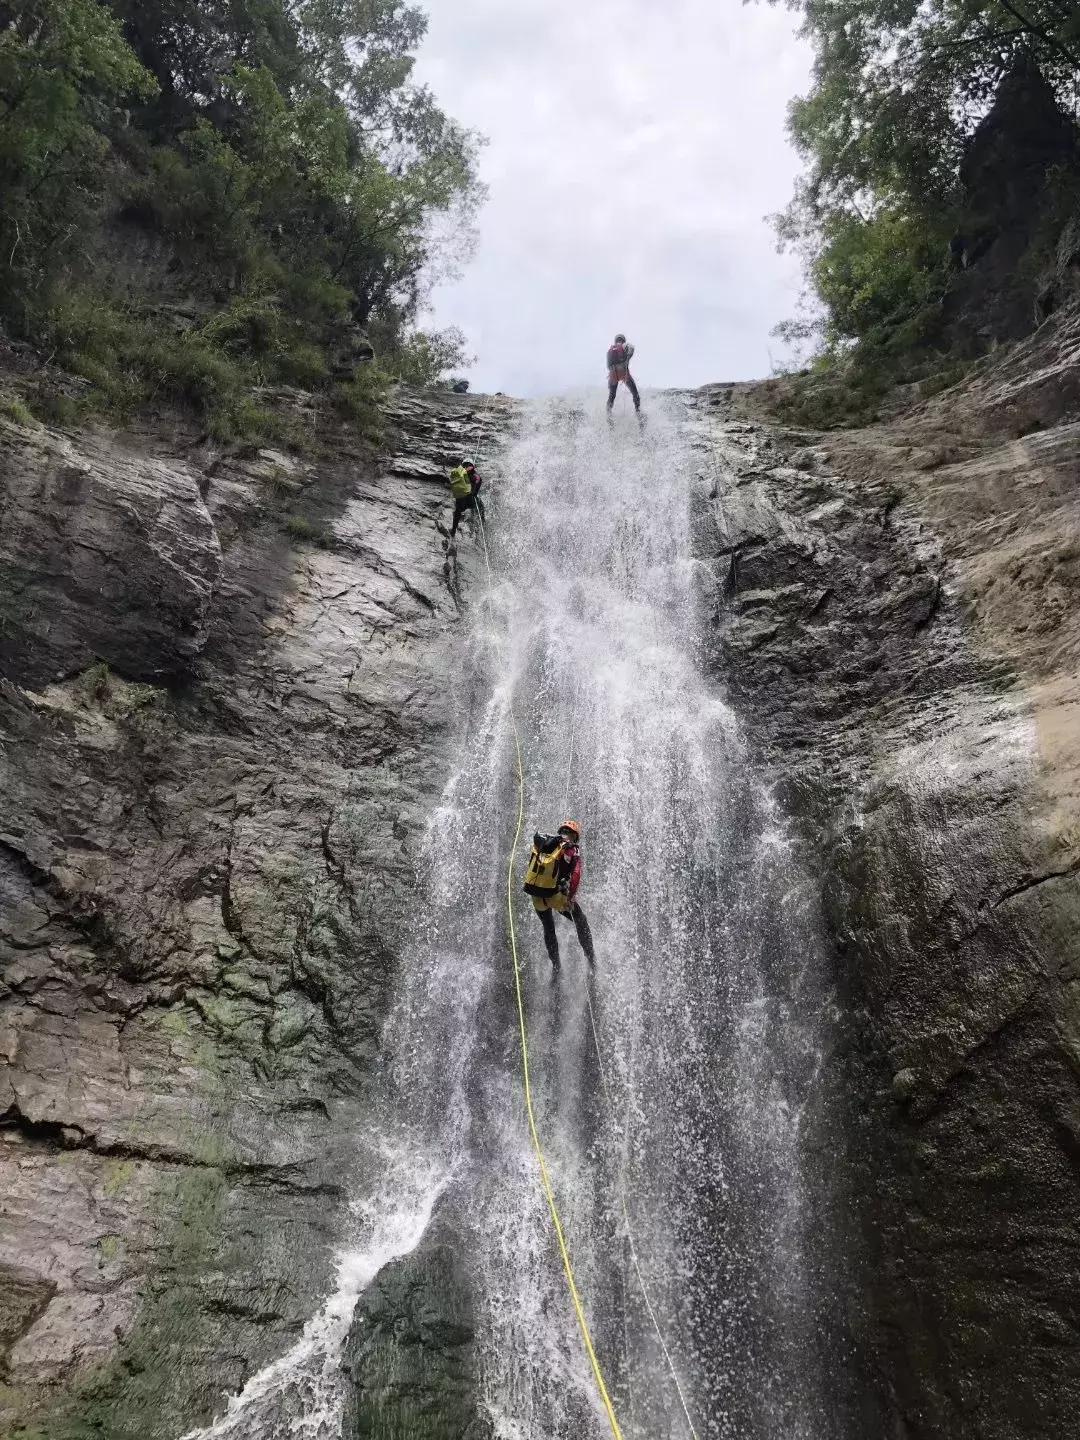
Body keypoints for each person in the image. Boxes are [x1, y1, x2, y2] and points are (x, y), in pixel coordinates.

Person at [523, 820, 596, 969]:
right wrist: (570, 898)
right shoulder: (572, 849)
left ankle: (556, 967)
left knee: (548, 927)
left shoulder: (545, 844)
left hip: (537, 897)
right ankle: (592, 961)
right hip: (556, 897)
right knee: (581, 921)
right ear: (574, 836)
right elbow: (576, 875)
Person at [448, 460, 485, 539]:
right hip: (468, 497)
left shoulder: (462, 473)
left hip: (464, 496)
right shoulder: (475, 476)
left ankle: (453, 530)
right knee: (478, 506)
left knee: (458, 511)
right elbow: (476, 487)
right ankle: (482, 522)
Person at [606, 333, 641, 415]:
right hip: (623, 372)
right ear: (623, 340)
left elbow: (608, 365)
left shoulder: (610, 350)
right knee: (635, 393)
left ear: (616, 340)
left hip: (613, 374)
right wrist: (628, 358)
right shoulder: (624, 345)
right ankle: (638, 412)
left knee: (611, 396)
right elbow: (632, 347)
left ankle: (608, 414)